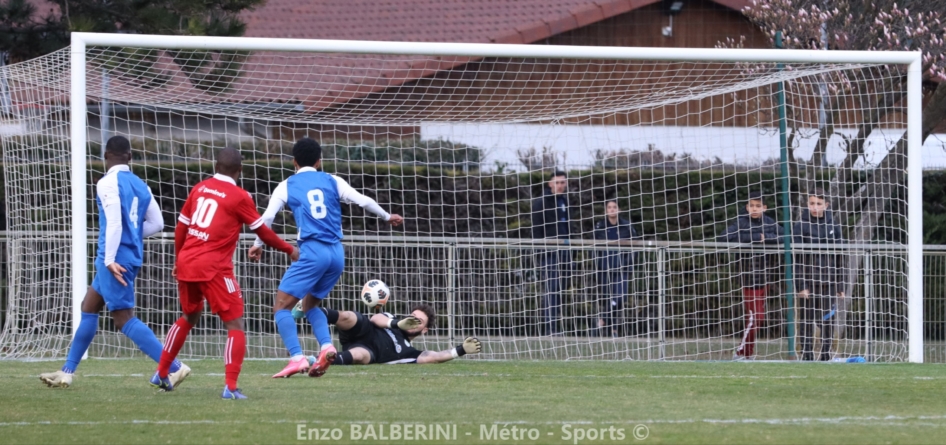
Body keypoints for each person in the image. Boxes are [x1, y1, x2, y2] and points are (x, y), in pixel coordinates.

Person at [40, 136, 189, 388]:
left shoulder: (107, 182)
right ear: (129, 157)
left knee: (124, 319)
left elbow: (116, 223)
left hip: (114, 259)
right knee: (88, 307)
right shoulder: (142, 185)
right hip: (125, 256)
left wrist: (109, 259)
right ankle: (67, 371)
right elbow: (157, 224)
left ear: (105, 156)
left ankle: (174, 366)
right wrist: (130, 237)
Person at [150, 148, 299, 399]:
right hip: (214, 268)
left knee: (188, 315)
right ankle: (230, 387)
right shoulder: (239, 196)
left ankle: (162, 372)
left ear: (215, 166)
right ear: (239, 170)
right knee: (235, 324)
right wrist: (289, 249)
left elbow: (181, 227)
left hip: (187, 260)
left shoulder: (200, 188)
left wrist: (178, 258)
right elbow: (262, 231)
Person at [248, 138, 404, 378]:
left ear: (294, 162)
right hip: (336, 254)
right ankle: (327, 347)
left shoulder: (287, 184)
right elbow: (362, 200)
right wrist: (386, 216)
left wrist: (258, 243)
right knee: (310, 305)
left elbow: (267, 218)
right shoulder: (333, 180)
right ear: (319, 161)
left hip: (312, 251)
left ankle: (297, 358)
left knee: (281, 308)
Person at [717, 190, 784, 360]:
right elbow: (723, 238)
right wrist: (755, 237)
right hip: (748, 277)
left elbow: (786, 236)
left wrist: (766, 238)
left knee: (755, 319)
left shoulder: (769, 223)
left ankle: (746, 353)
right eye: (751, 206)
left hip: (765, 276)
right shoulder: (740, 223)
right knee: (757, 318)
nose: (755, 209)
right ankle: (741, 352)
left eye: (758, 206)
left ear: (764, 207)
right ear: (747, 207)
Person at [319, 304, 481, 366]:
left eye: (419, 321)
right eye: (413, 316)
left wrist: (461, 350)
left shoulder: (410, 353)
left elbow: (433, 357)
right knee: (349, 316)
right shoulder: (392, 319)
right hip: (364, 329)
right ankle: (311, 311)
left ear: (424, 330)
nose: (413, 321)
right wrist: (396, 323)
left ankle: (320, 361)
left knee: (359, 356)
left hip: (368, 351)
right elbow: (375, 318)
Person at [793, 188, 845, 361]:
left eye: (819, 204)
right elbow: (798, 259)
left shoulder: (834, 226)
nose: (815, 207)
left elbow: (840, 257)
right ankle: (806, 355)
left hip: (828, 282)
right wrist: (801, 286)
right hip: (809, 282)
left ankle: (825, 354)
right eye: (812, 203)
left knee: (827, 320)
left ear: (826, 205)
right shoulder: (800, 226)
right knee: (807, 320)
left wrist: (840, 285)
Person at [530, 170, 574, 336]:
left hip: (565, 253)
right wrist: (540, 252)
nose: (560, 185)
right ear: (550, 184)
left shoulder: (565, 201)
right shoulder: (541, 203)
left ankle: (555, 325)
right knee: (552, 288)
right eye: (557, 182)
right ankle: (550, 329)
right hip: (549, 254)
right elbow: (536, 230)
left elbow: (569, 227)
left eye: (563, 182)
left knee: (561, 288)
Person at [593, 200, 640, 337]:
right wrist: (599, 263)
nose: (612, 209)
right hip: (605, 268)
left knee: (620, 297)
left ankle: (602, 320)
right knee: (609, 298)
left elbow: (634, 247)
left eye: (615, 207)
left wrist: (627, 263)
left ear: (619, 210)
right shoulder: (600, 226)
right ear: (606, 210)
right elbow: (593, 247)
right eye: (609, 207)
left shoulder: (627, 226)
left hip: (622, 269)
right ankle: (613, 330)